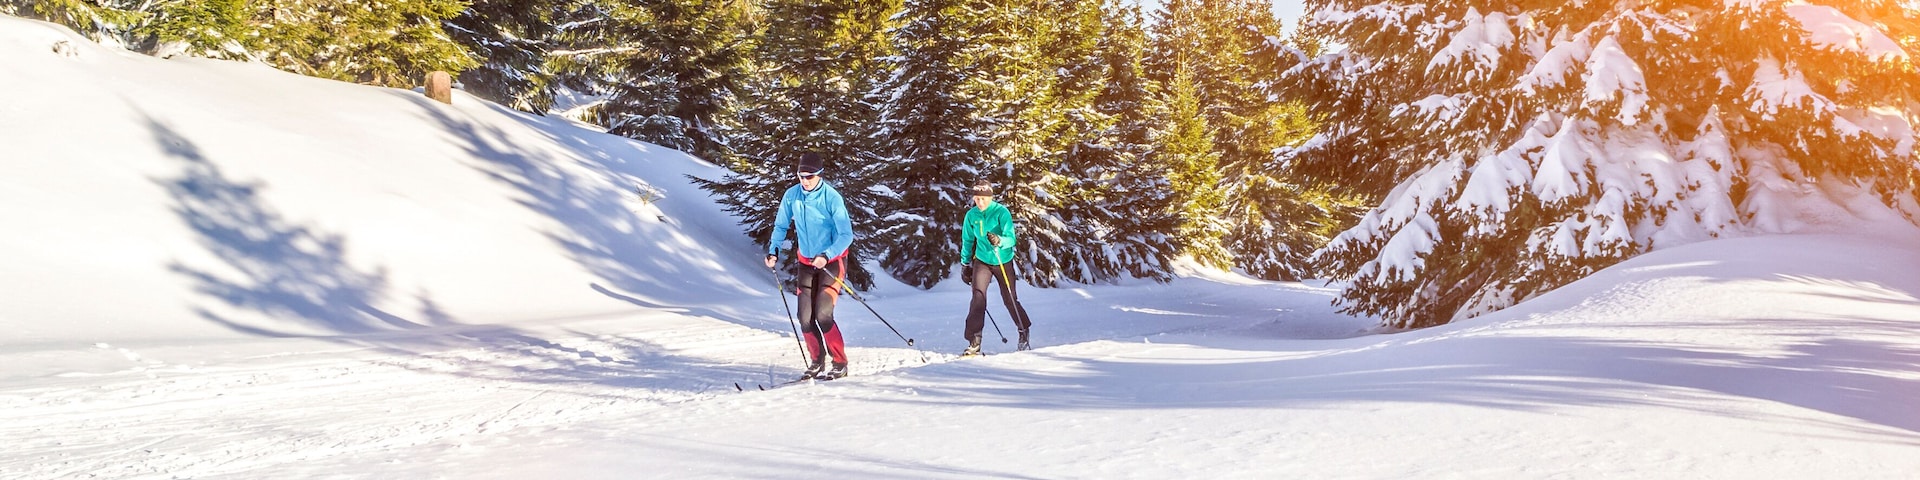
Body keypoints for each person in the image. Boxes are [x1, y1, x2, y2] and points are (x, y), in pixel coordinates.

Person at [766, 153, 856, 380]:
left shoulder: (831, 198)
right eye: (801, 176)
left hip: (832, 263)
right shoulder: (792, 196)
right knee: (805, 317)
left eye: (809, 176)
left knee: (823, 314)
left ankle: (840, 362)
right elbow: (780, 225)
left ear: (819, 175)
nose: (804, 181)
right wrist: (773, 251)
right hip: (806, 262)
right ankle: (817, 361)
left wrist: (827, 255)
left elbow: (846, 235)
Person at [958, 179, 1033, 355]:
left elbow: (1011, 239)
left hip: (1002, 260)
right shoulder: (972, 215)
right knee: (978, 298)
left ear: (990, 197)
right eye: (976, 198)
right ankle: (974, 341)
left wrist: (1000, 241)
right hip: (982, 260)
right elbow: (968, 240)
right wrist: (965, 263)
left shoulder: (1001, 212)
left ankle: (1023, 330)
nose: (979, 202)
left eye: (983, 198)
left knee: (1009, 299)